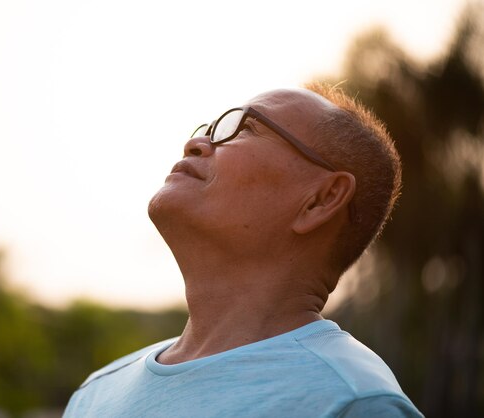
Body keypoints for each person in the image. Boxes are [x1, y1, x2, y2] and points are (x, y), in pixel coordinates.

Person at [63, 84, 424, 417]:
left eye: (245, 128)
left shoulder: (351, 401)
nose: (197, 143)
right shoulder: (95, 395)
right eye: (209, 128)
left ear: (320, 200)